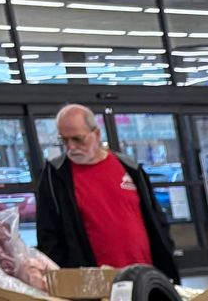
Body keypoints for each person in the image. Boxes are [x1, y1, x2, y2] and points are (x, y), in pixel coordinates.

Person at [35, 104, 178, 278]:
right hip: (94, 285)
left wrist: (166, 250)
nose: (71, 147)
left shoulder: (129, 167)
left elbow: (155, 217)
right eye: (64, 141)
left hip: (146, 277)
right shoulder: (55, 177)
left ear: (96, 134)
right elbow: (48, 236)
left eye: (78, 139)